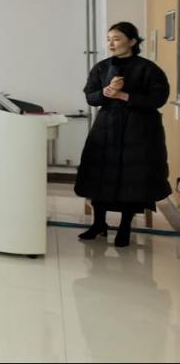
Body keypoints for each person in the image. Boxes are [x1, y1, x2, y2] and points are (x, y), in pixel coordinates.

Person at [75, 22, 171, 248]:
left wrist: (125, 96)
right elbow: (90, 97)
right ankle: (99, 223)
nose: (111, 43)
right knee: (100, 173)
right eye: (109, 39)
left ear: (132, 41)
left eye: (116, 39)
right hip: (107, 126)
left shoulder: (148, 69)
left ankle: (125, 227)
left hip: (138, 130)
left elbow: (158, 98)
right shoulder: (101, 67)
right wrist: (105, 92)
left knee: (132, 177)